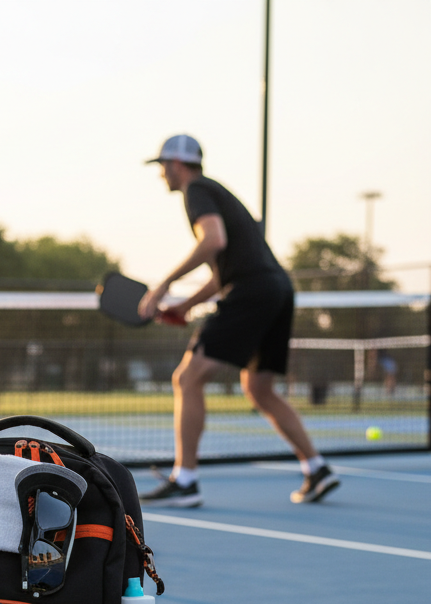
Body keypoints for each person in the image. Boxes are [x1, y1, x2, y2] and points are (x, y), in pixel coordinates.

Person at [136, 135, 339, 506]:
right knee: (258, 388)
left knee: (187, 377)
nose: (161, 174)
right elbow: (221, 270)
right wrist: (185, 306)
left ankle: (186, 480)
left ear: (177, 165)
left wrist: (164, 284)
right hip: (277, 289)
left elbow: (212, 240)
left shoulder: (195, 190)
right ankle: (316, 467)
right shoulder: (217, 192)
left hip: (251, 291)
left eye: (162, 166)